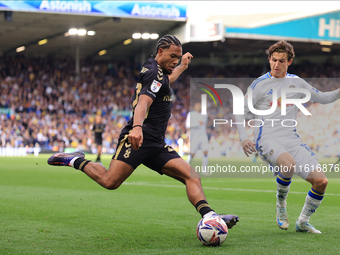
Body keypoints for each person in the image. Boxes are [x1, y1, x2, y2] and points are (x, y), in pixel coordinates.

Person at [48, 35, 239, 229]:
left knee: (191, 176)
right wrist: (137, 128)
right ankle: (73, 159)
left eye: (178, 57)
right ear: (160, 52)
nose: (175, 60)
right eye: (173, 56)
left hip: (156, 143)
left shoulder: (158, 72)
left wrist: (182, 66)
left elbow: (166, 82)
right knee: (110, 181)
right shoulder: (153, 73)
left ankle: (210, 217)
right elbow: (143, 102)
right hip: (139, 139)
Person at [235, 40, 340, 234]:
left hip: (291, 139)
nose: (276, 64)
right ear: (269, 59)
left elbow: (323, 98)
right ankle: (281, 204)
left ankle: (303, 221)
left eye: (281, 61)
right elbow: (239, 110)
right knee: (288, 164)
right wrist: (244, 137)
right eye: (273, 60)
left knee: (321, 182)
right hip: (267, 138)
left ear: (289, 62)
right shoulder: (259, 84)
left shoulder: (297, 82)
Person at [185, 102, 209, 175]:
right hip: (195, 136)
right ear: (195, 106)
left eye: (200, 106)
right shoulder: (191, 114)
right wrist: (197, 123)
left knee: (205, 152)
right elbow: (187, 125)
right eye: (198, 106)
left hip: (203, 136)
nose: (199, 107)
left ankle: (204, 170)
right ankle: (185, 168)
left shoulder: (204, 115)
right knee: (192, 154)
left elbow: (204, 123)